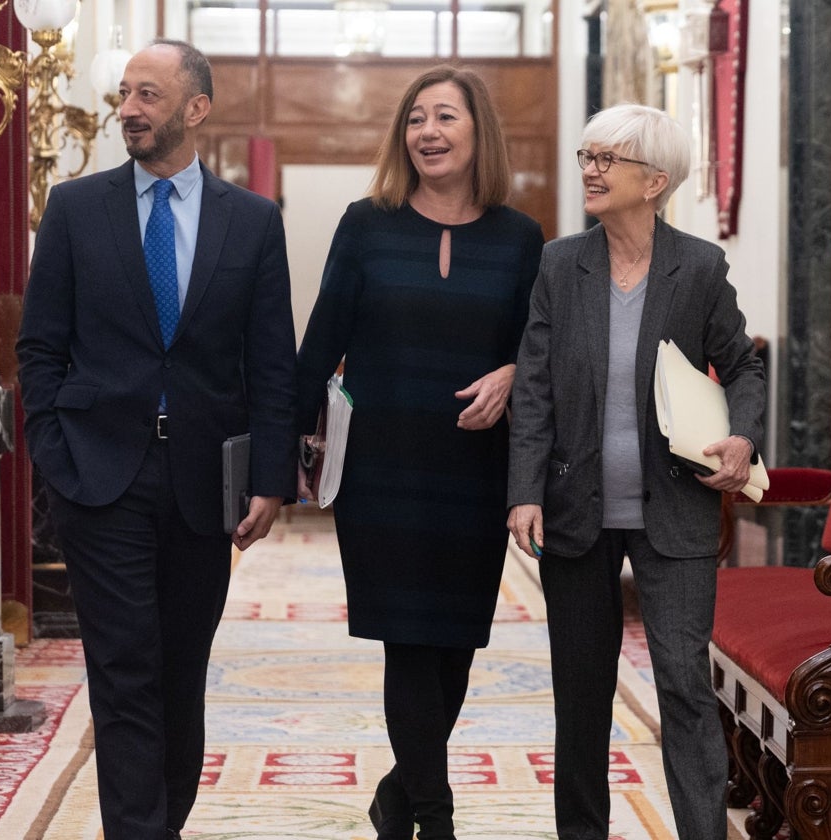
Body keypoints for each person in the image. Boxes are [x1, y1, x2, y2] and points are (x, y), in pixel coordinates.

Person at [15, 39, 298, 840]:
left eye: (147, 95)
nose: (129, 110)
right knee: (124, 669)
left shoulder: (253, 222)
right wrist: (53, 451)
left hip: (205, 484)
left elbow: (272, 361)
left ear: (196, 109)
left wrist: (271, 480)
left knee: (180, 672)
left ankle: (160, 823)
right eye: (125, 95)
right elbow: (39, 346)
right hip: (98, 477)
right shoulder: (75, 209)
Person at [294, 66, 544, 840]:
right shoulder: (366, 224)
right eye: (415, 119)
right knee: (407, 643)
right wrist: (282, 459)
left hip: (473, 472)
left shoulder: (520, 237)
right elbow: (320, 343)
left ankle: (399, 793)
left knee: (456, 648)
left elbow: (537, 350)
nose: (428, 132)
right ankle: (433, 820)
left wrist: (510, 371)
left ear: (478, 133)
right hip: (381, 471)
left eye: (445, 117)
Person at [506, 103, 765, 840]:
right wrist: (524, 489)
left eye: (605, 159)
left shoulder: (698, 267)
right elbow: (533, 384)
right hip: (574, 510)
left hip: (675, 513)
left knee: (684, 688)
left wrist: (743, 437)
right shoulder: (561, 264)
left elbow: (743, 364)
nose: (588, 170)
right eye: (585, 156)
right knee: (581, 698)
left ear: (653, 181)